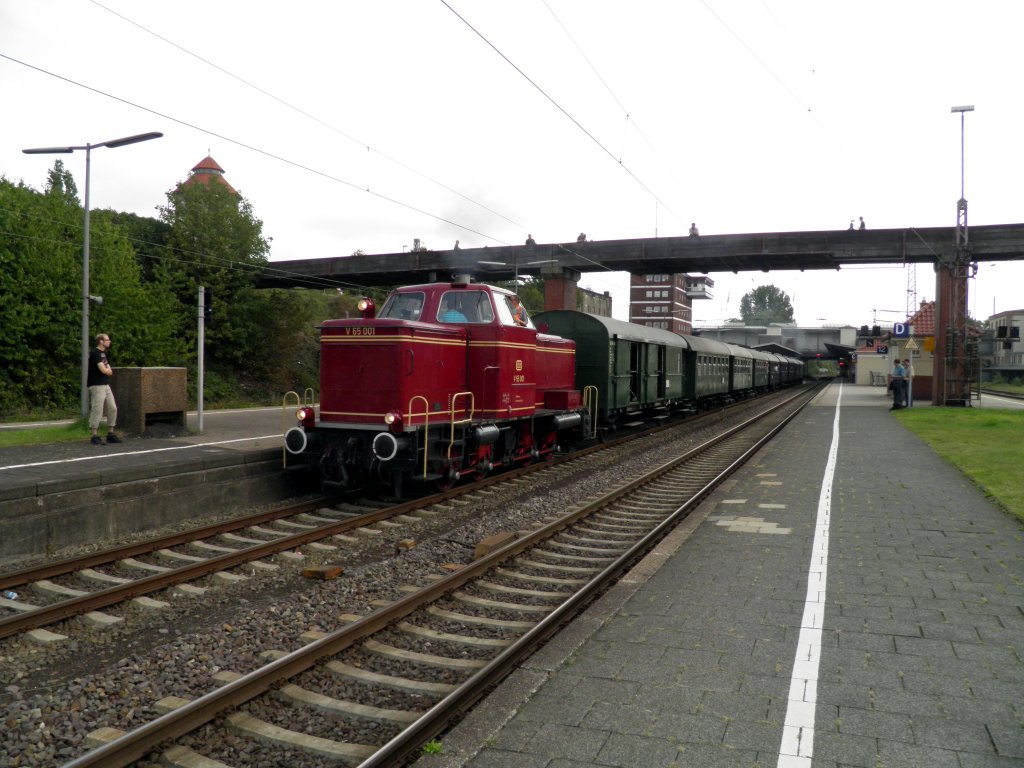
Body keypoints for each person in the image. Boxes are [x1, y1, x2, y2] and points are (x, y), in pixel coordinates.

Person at [88, 333, 121, 444]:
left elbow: (109, 369)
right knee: (98, 409)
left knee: (113, 408)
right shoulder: (95, 353)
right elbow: (103, 369)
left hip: (105, 385)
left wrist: (107, 371)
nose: (109, 341)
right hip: (97, 385)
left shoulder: (103, 354)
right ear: (101, 341)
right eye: (107, 340)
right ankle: (94, 435)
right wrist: (107, 371)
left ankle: (110, 433)